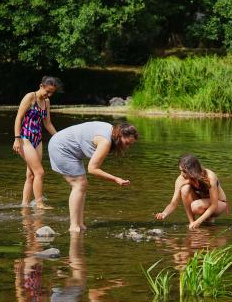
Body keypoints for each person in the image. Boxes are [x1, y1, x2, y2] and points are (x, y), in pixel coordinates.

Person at [48, 121, 138, 232]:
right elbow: (92, 169)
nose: (127, 147)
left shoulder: (112, 130)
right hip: (61, 147)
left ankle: (79, 224)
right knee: (79, 185)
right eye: (127, 143)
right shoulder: (105, 141)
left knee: (82, 185)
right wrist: (115, 179)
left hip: (62, 143)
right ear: (120, 135)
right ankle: (74, 226)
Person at [12, 76, 62, 209]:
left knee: (31, 174)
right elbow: (18, 117)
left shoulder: (46, 102)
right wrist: (17, 139)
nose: (49, 95)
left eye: (52, 93)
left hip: (37, 139)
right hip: (25, 139)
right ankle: (39, 204)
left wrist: (59, 137)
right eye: (48, 91)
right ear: (41, 86)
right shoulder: (30, 97)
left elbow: (47, 123)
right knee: (39, 172)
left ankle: (25, 205)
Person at [155, 154, 228, 229]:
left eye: (184, 171)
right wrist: (164, 213)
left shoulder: (209, 176)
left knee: (196, 206)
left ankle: (207, 220)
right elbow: (173, 203)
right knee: (184, 189)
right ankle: (192, 223)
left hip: (218, 204)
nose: (182, 174)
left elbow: (214, 205)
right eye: (180, 171)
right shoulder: (180, 179)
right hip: (201, 203)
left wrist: (198, 221)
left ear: (192, 170)